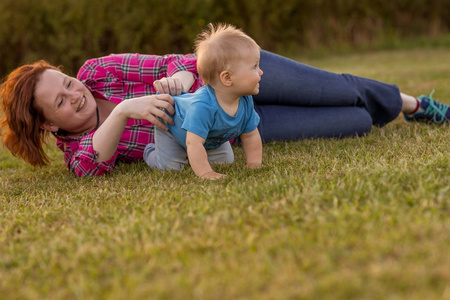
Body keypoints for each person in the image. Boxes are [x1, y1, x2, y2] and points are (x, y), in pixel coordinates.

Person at [0, 23, 448, 177]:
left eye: (66, 82)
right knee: (350, 123)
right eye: (60, 100)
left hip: (232, 70)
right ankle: (376, 114)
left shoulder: (98, 70)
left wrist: (179, 74)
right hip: (237, 132)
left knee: (335, 88)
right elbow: (92, 166)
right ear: (47, 126)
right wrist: (121, 111)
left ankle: (414, 106)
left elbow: (180, 60)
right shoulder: (76, 150)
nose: (75, 93)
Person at [144, 23, 263, 179]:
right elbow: (194, 143)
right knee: (170, 168)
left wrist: (254, 163)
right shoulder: (204, 106)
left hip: (207, 138)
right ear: (227, 78)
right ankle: (150, 152)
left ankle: (193, 156)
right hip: (172, 124)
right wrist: (206, 173)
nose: (260, 72)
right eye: (254, 67)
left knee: (226, 161)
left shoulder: (245, 100)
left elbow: (251, 136)